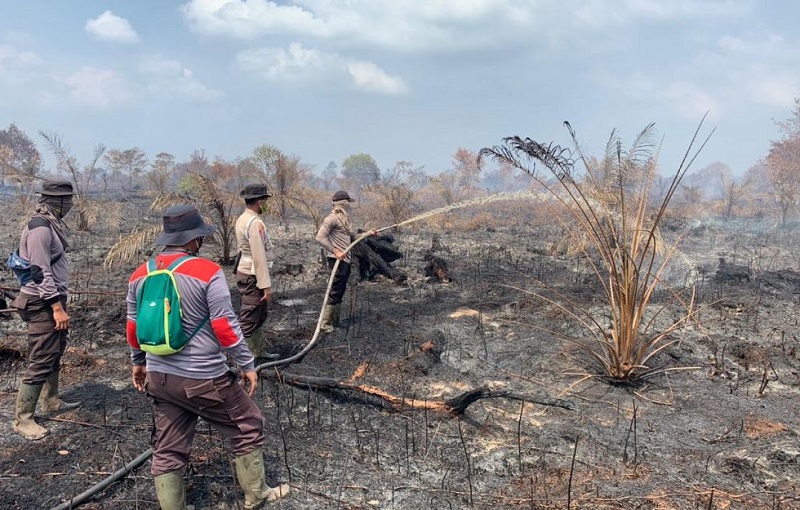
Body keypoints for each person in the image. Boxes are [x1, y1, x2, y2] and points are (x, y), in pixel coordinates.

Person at [126, 204, 289, 510]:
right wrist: (246, 364)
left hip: (159, 378)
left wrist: (138, 362)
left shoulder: (139, 274)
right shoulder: (208, 272)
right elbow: (226, 327)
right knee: (249, 424)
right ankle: (257, 495)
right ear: (194, 240)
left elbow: (133, 325)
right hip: (203, 378)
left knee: (168, 447)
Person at [11, 180, 81, 440]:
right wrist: (56, 307)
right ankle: (23, 419)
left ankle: (51, 400)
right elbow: (39, 272)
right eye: (68, 200)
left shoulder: (50, 224)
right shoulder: (40, 228)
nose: (71, 205)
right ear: (57, 201)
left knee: (54, 350)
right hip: (42, 303)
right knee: (42, 356)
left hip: (52, 301)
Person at [314, 190, 376, 333]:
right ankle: (325, 324)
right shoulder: (332, 219)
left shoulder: (344, 220)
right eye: (348, 202)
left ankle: (334, 322)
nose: (350, 205)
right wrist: (335, 251)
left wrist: (368, 233)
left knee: (340, 290)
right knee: (334, 290)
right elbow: (320, 237)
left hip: (345, 260)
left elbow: (352, 236)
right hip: (336, 260)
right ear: (343, 203)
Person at [234, 184, 277, 363]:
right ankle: (241, 357)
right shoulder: (254, 223)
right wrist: (265, 286)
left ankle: (257, 351)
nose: (266, 205)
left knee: (258, 313)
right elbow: (258, 256)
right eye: (265, 201)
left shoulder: (242, 219)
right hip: (253, 274)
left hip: (247, 270)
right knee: (250, 315)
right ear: (259, 202)